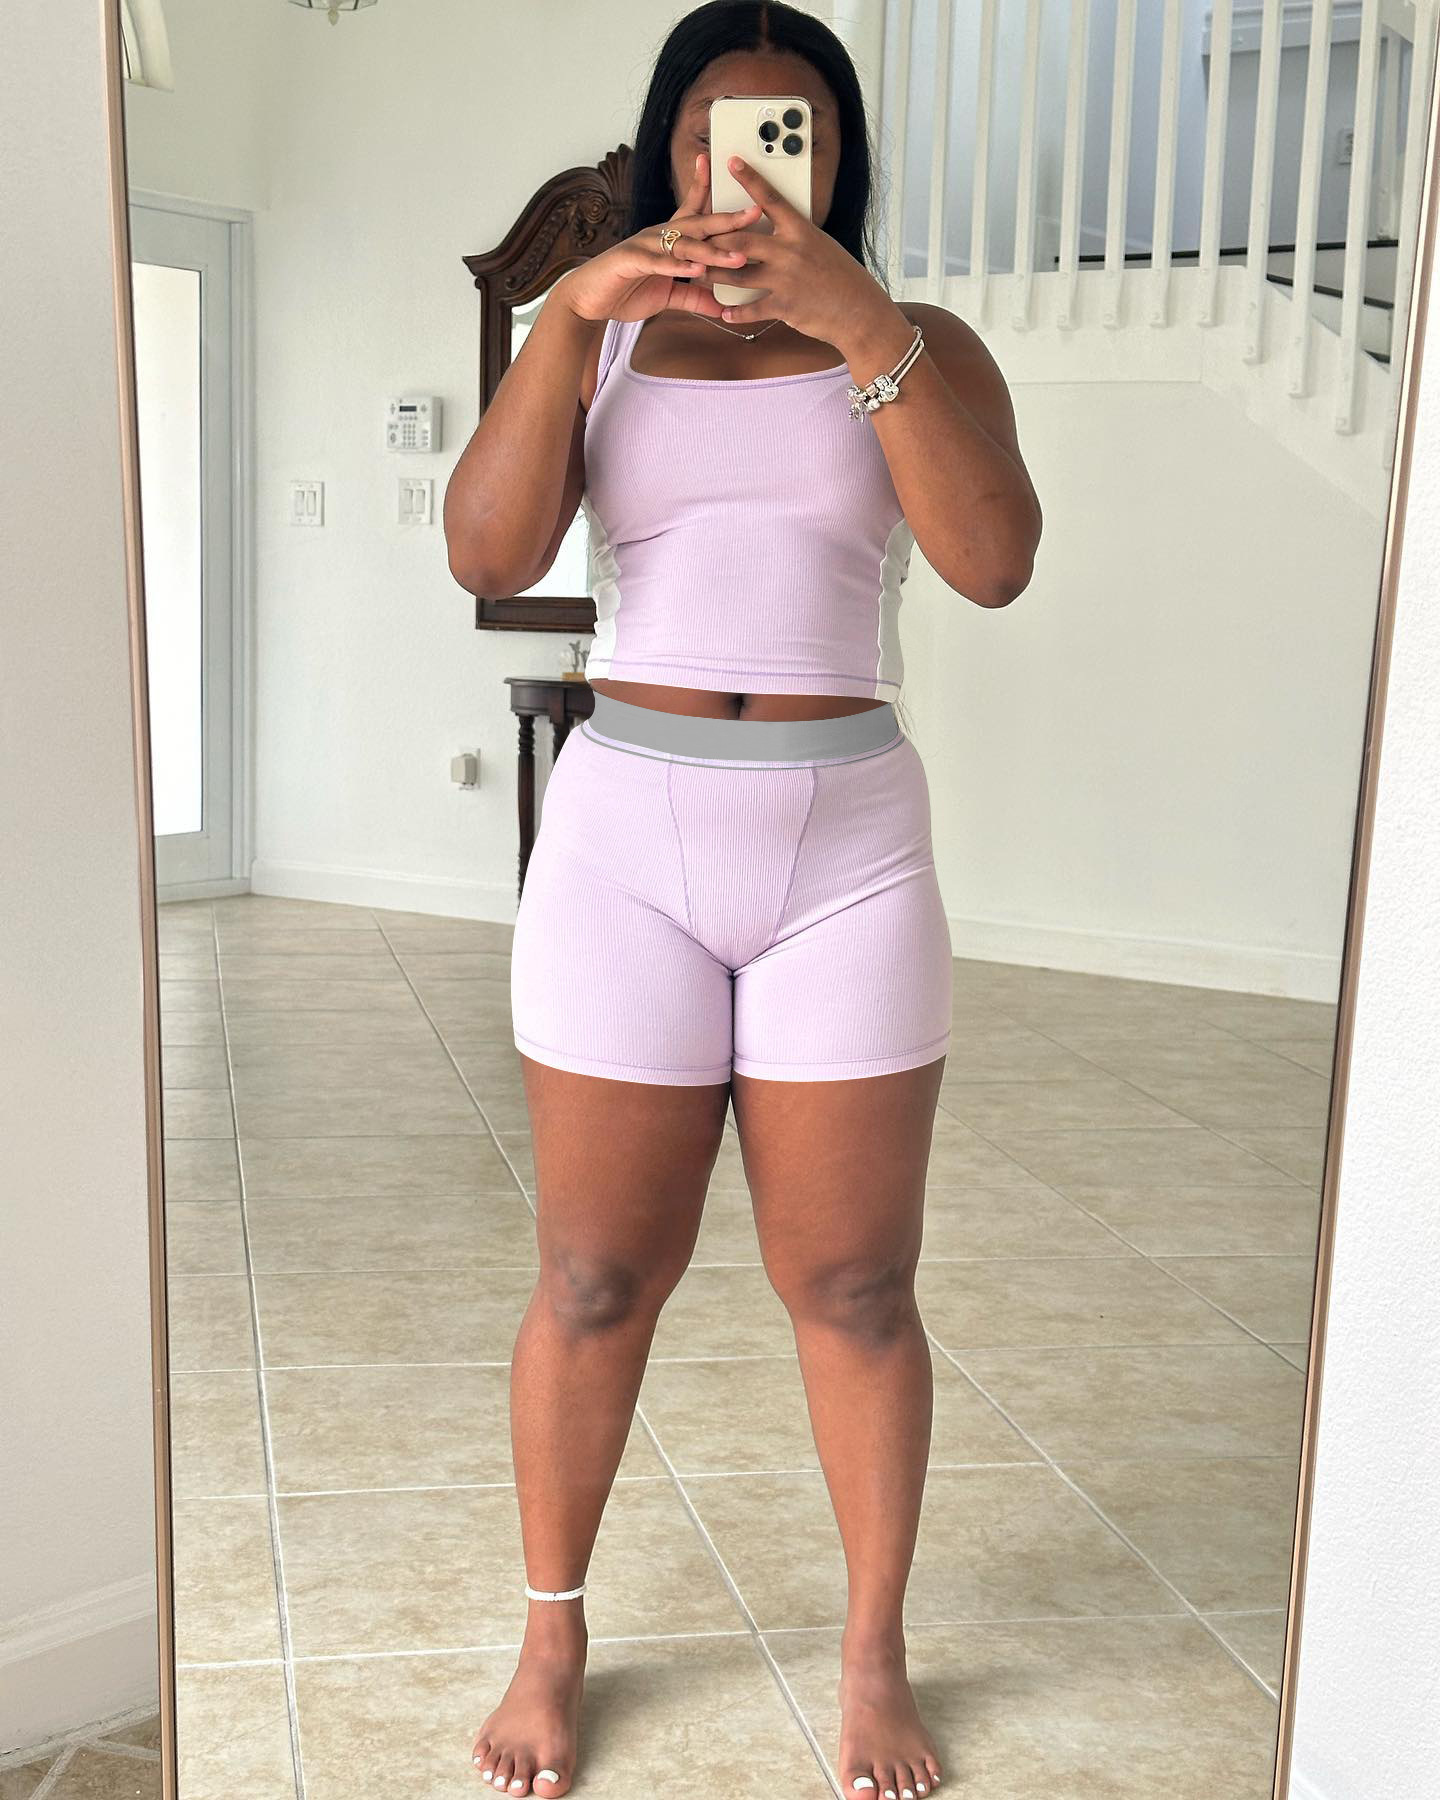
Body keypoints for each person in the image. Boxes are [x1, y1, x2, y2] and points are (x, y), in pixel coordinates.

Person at [443, 4, 1041, 1794]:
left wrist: (861, 327)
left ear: (839, 160)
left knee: (855, 1283)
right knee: (592, 1273)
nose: (752, 164)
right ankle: (552, 1635)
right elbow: (488, 552)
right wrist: (569, 320)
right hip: (625, 836)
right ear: (668, 152)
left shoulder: (919, 341)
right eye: (717, 130)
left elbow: (994, 563)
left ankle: (872, 1656)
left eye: (797, 130)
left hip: (844, 845)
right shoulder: (604, 338)